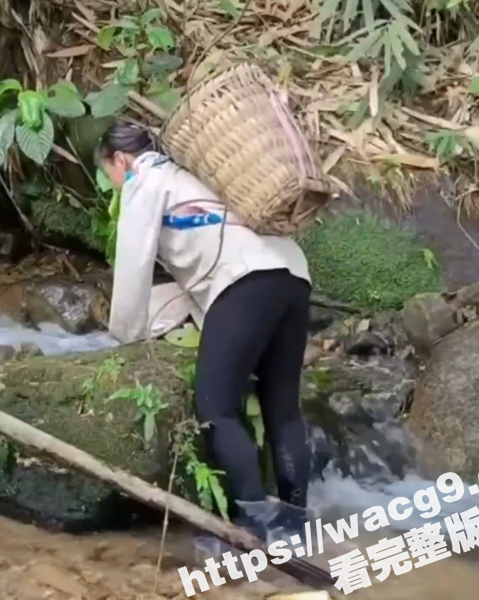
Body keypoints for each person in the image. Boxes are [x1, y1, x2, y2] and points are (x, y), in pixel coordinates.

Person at [96, 120, 315, 538]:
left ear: (121, 160)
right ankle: (295, 520)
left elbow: (133, 263)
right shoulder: (193, 175)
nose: (114, 183)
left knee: (216, 408)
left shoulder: (145, 177)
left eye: (110, 174)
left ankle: (252, 523)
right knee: (283, 408)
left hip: (245, 280)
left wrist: (123, 337)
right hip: (291, 273)